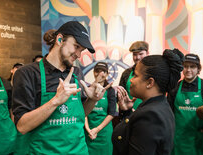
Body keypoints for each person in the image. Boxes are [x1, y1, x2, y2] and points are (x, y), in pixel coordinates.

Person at [13, 21, 112, 154]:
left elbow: (80, 115)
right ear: (60, 39)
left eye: (81, 50)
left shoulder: (76, 73)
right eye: (76, 46)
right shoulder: (27, 73)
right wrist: (55, 101)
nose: (78, 54)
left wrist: (93, 100)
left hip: (78, 150)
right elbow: (22, 126)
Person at [113, 49, 184, 155]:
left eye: (136, 75)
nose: (131, 80)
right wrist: (126, 111)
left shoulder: (150, 115)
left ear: (150, 82)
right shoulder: (158, 105)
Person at [167, 53, 203, 155]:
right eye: (185, 66)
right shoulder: (174, 87)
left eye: (192, 66)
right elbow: (168, 113)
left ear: (198, 69)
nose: (188, 70)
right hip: (178, 140)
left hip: (199, 139)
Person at [113, 41, 149, 127]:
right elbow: (120, 95)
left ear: (147, 53)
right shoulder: (126, 73)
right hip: (128, 116)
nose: (137, 57)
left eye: (141, 54)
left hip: (148, 115)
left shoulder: (152, 72)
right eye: (135, 54)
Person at [84, 62, 116, 155]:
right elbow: (84, 112)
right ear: (93, 73)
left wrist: (97, 129)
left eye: (103, 71)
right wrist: (88, 129)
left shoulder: (110, 91)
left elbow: (111, 113)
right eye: (97, 71)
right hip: (88, 132)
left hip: (104, 133)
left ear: (107, 74)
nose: (100, 74)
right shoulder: (88, 89)